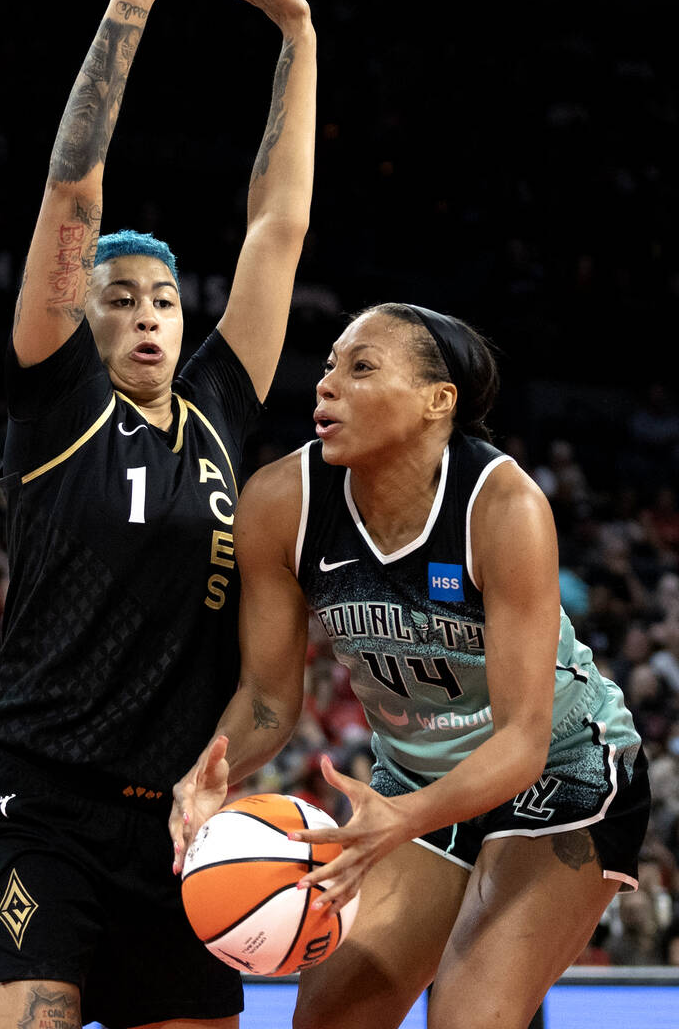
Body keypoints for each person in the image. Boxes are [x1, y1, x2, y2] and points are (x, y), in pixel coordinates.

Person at [0, 0, 316, 1029]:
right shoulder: (58, 410)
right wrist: (132, 3)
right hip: (33, 804)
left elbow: (277, 225)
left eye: (163, 298)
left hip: (176, 823)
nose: (150, 312)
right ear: (81, 316)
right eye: (121, 297)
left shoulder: (213, 407)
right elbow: (72, 190)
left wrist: (300, 37)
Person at [173, 302, 650, 1029]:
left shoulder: (504, 506)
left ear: (439, 401)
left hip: (565, 770)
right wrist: (213, 768)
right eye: (329, 365)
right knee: (330, 1019)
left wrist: (399, 821)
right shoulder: (279, 502)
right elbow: (269, 702)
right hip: (416, 780)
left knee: (468, 1017)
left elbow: (522, 740)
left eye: (360, 367)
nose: (326, 384)